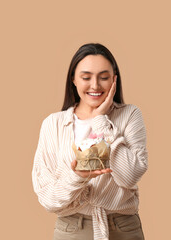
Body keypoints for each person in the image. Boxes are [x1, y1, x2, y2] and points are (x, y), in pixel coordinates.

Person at [32, 43, 148, 240]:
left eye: (103, 77)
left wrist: (101, 120)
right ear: (73, 80)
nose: (95, 85)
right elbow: (48, 198)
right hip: (71, 230)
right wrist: (77, 176)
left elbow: (129, 177)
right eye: (86, 77)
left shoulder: (130, 115)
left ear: (114, 80)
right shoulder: (53, 124)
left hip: (123, 229)